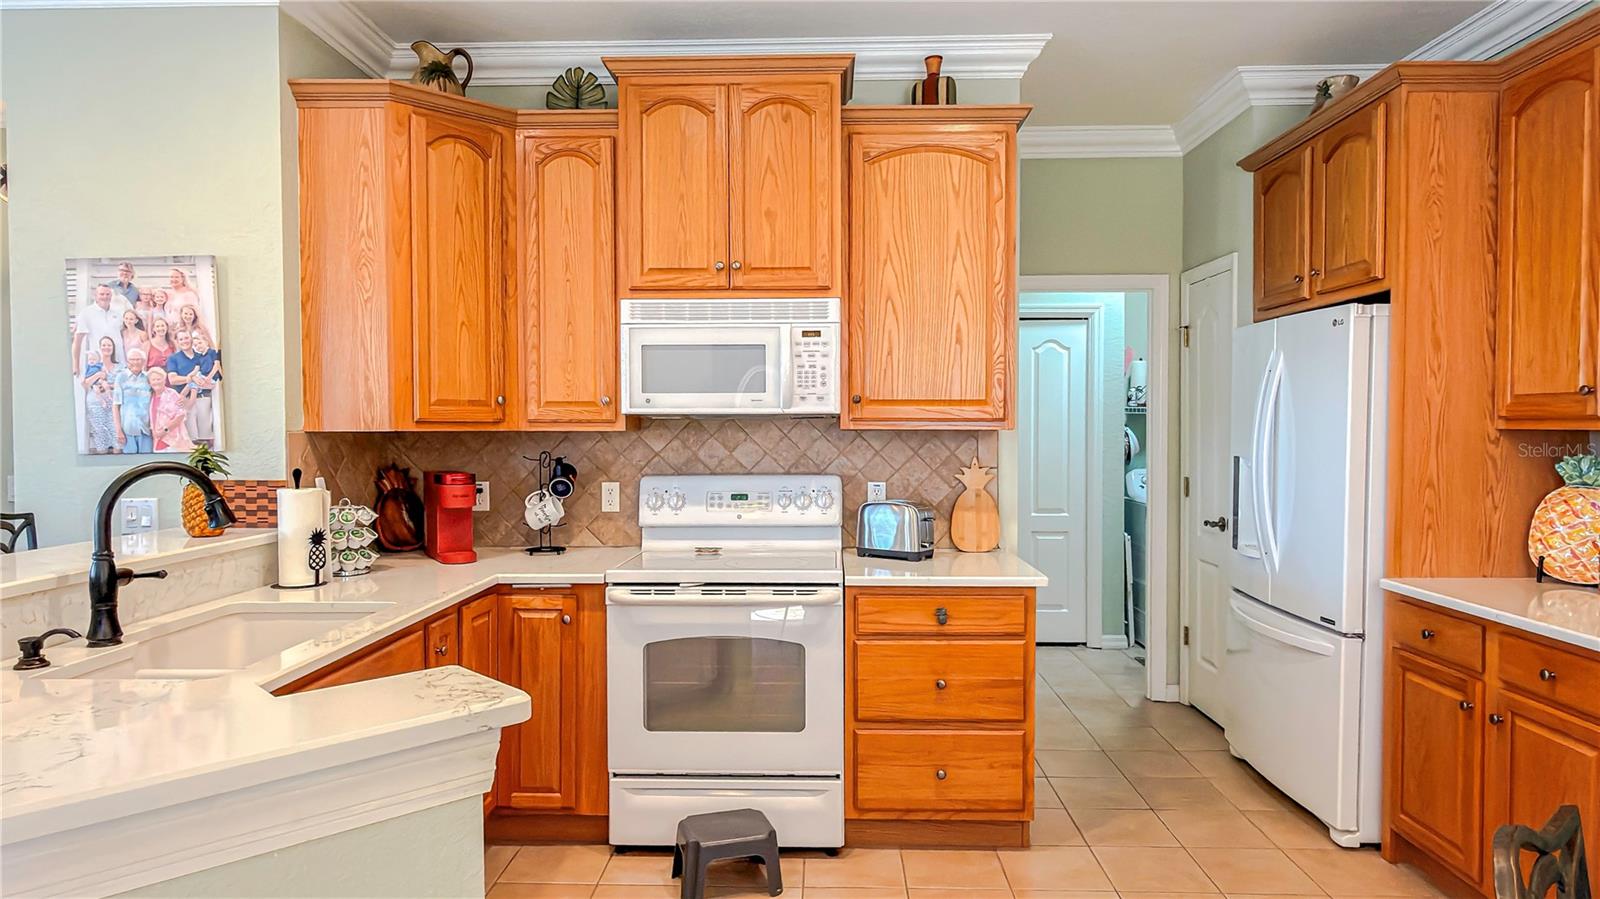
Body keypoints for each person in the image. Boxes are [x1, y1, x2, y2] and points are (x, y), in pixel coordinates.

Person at [177, 329, 221, 446]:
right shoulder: (199, 357)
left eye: (200, 343)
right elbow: (196, 369)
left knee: (194, 384)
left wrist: (208, 378)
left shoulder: (212, 353)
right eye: (196, 345)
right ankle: (181, 397)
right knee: (192, 382)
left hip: (210, 377)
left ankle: (189, 402)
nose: (198, 346)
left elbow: (216, 366)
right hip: (202, 376)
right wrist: (190, 376)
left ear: (206, 341)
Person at [71, 285, 126, 376]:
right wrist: (75, 365)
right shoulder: (86, 313)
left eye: (108, 294)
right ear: (95, 296)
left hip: (118, 361)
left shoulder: (118, 313)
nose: (105, 297)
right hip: (97, 362)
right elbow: (77, 341)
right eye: (102, 294)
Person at [81, 336, 121, 455]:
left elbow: (122, 384)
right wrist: (98, 375)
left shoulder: (119, 366)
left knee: (115, 430)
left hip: (113, 403)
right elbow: (85, 384)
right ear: (100, 347)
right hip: (95, 403)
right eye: (104, 345)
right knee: (99, 431)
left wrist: (107, 386)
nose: (106, 347)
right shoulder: (92, 364)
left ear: (113, 348)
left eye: (109, 345)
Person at [113, 349, 154, 454]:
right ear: (127, 362)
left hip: (146, 428)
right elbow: (116, 405)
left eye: (138, 359)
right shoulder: (121, 377)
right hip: (127, 428)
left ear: (144, 361)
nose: (135, 362)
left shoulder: (148, 377)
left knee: (147, 462)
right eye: (132, 359)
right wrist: (118, 430)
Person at [148, 368, 193, 452]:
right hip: (157, 440)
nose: (156, 382)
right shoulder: (150, 396)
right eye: (153, 380)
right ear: (150, 383)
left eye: (159, 379)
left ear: (164, 380)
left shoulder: (172, 393)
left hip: (173, 440)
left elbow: (181, 415)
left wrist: (165, 430)